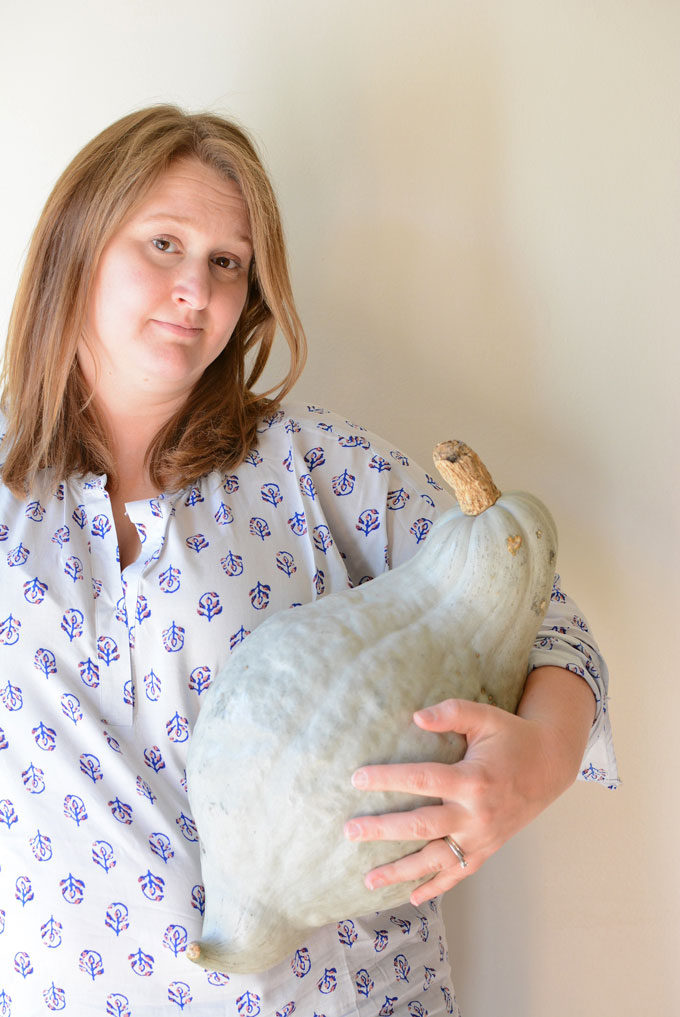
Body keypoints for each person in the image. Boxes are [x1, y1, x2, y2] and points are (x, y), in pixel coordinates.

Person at [0, 105, 617, 1017]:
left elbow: (542, 604)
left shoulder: (312, 464)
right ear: (77, 247)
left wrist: (535, 764)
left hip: (342, 995)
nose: (195, 289)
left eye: (227, 262)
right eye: (163, 243)